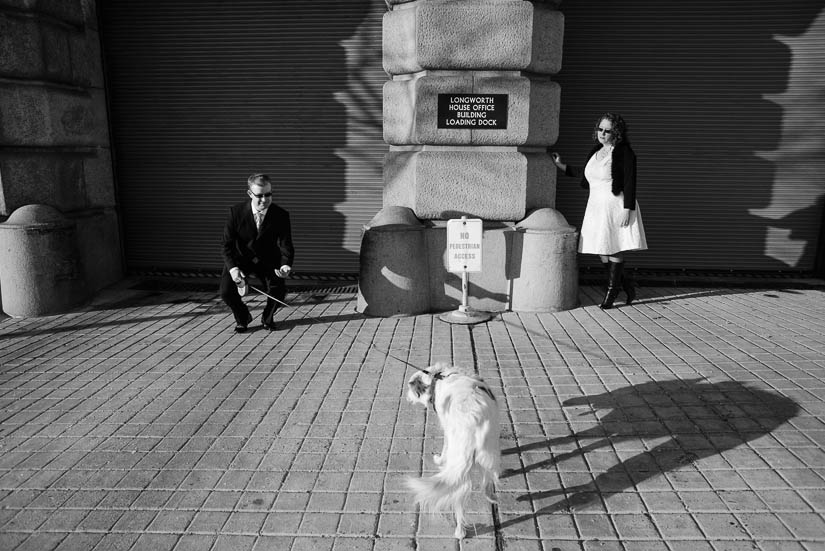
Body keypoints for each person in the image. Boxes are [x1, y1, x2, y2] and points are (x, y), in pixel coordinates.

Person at [551, 113, 647, 309]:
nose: (602, 133)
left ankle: (612, 291)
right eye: (600, 129)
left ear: (616, 133)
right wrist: (561, 165)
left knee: (613, 246)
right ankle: (625, 283)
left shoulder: (623, 152)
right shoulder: (596, 151)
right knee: (601, 247)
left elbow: (630, 181)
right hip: (595, 207)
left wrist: (628, 209)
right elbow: (586, 174)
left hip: (615, 205)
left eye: (607, 130)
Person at [220, 173, 295, 332]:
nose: (264, 199)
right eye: (259, 195)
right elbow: (226, 245)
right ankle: (243, 317)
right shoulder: (235, 212)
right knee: (226, 292)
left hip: (267, 260)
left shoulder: (281, 215)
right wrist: (233, 269)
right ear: (249, 194)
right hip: (240, 260)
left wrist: (285, 265)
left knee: (279, 292)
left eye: (268, 194)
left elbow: (286, 244)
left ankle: (267, 317)